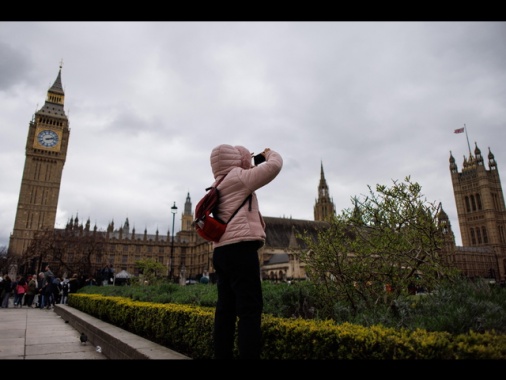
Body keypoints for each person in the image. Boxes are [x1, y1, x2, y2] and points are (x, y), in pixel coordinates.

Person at [209, 144, 283, 359]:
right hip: (240, 249)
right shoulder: (239, 177)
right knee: (249, 310)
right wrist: (268, 154)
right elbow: (275, 166)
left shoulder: (218, 183)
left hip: (221, 251)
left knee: (225, 310)